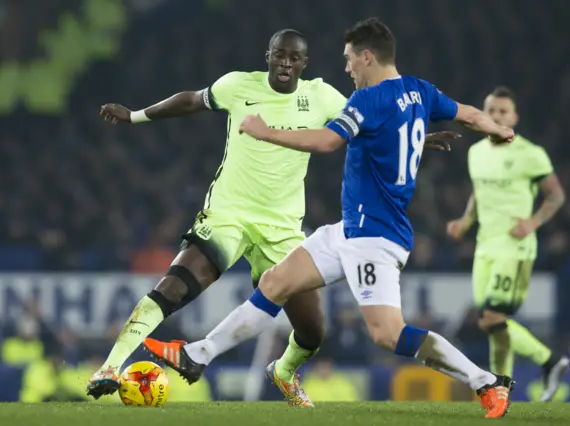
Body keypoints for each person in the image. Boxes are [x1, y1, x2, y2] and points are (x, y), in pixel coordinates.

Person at [144, 18, 516, 418]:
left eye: (349, 60)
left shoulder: (367, 100)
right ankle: (197, 355)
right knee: (275, 282)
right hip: (350, 231)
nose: (346, 69)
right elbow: (469, 114)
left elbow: (327, 140)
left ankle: (487, 382)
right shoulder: (420, 91)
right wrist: (499, 130)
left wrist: (266, 132)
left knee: (387, 334)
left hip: (374, 237)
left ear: (367, 56)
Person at [86, 27, 460, 403]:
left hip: (282, 228)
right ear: (268, 56)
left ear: (304, 63)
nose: (285, 63)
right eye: (279, 55)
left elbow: (369, 128)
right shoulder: (237, 86)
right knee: (175, 286)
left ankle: (283, 371)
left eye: (293, 58)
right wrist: (134, 116)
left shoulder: (321, 96)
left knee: (312, 332)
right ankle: (109, 367)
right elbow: (189, 101)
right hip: (228, 215)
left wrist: (418, 140)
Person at [446, 87, 569, 402]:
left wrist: (533, 222)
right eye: (492, 111)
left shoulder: (530, 153)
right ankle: (503, 390)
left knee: (492, 317)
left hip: (514, 248)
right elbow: (478, 191)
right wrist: (465, 220)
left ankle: (549, 361)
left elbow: (555, 194)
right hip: (484, 246)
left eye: (503, 112)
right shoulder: (476, 153)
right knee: (491, 325)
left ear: (513, 117)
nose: (497, 116)